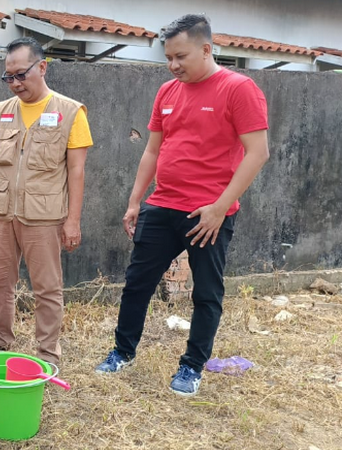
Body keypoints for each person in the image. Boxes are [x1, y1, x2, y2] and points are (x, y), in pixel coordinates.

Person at [95, 14, 269, 397]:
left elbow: (257, 153)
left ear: (206, 49)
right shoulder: (167, 92)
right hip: (161, 206)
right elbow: (153, 150)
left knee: (206, 293)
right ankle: (122, 352)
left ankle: (192, 367)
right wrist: (135, 200)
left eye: (181, 56)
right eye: (168, 58)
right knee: (137, 285)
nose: (173, 65)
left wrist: (221, 207)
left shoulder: (239, 89)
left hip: (208, 213)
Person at [0, 37, 93, 366]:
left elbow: (76, 171)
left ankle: (48, 355)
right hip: (2, 214)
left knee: (47, 288)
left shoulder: (70, 112)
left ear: (42, 67)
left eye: (21, 75)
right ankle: (0, 342)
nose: (15, 84)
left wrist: (73, 221)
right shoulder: (0, 112)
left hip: (44, 216)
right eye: (8, 77)